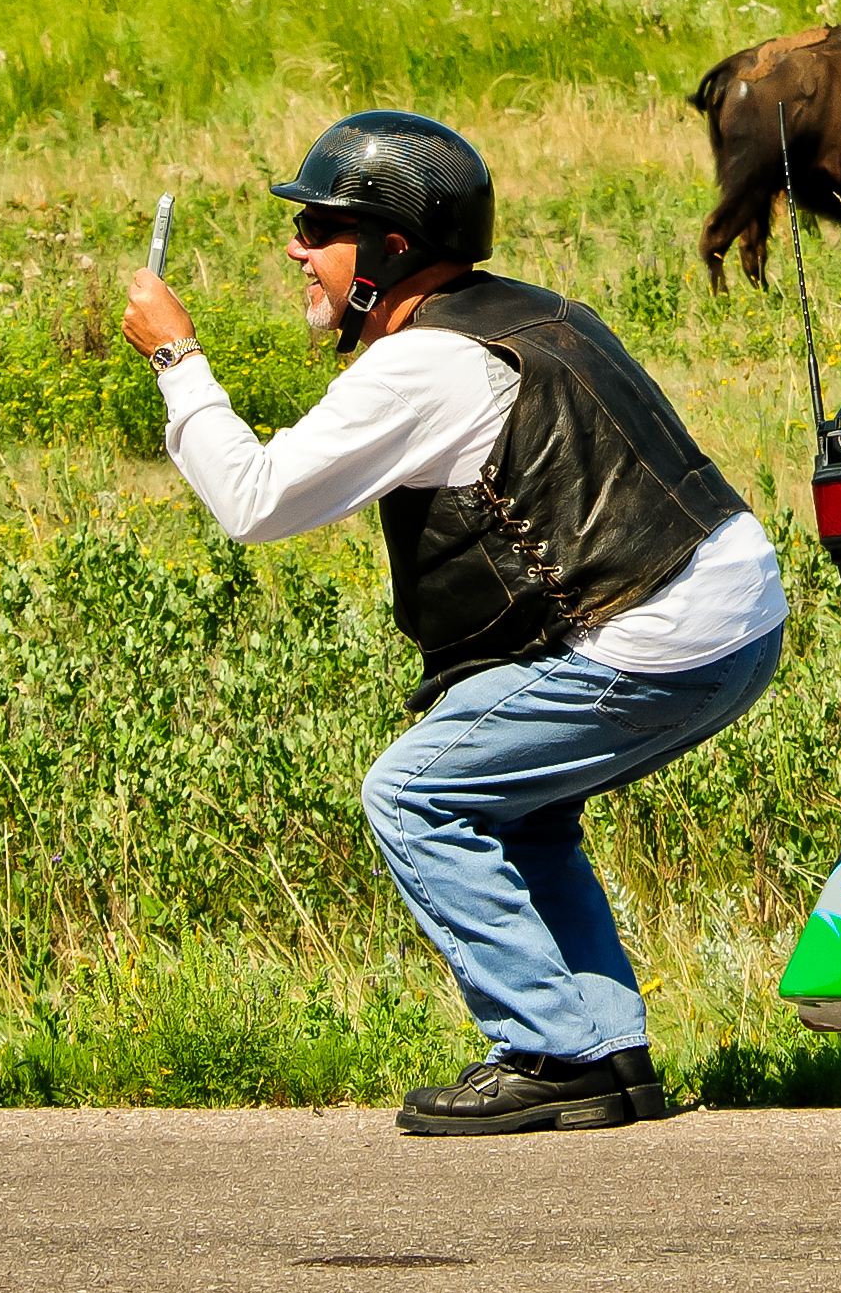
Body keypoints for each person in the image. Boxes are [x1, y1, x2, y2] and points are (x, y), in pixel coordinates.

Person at [120, 110, 784, 1135]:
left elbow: (254, 502)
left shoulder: (421, 363)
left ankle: (549, 1049)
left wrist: (178, 360)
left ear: (389, 249)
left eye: (319, 229)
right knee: (513, 803)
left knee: (415, 792)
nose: (296, 248)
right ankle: (607, 1055)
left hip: (657, 630)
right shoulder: (530, 309)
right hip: (725, 611)